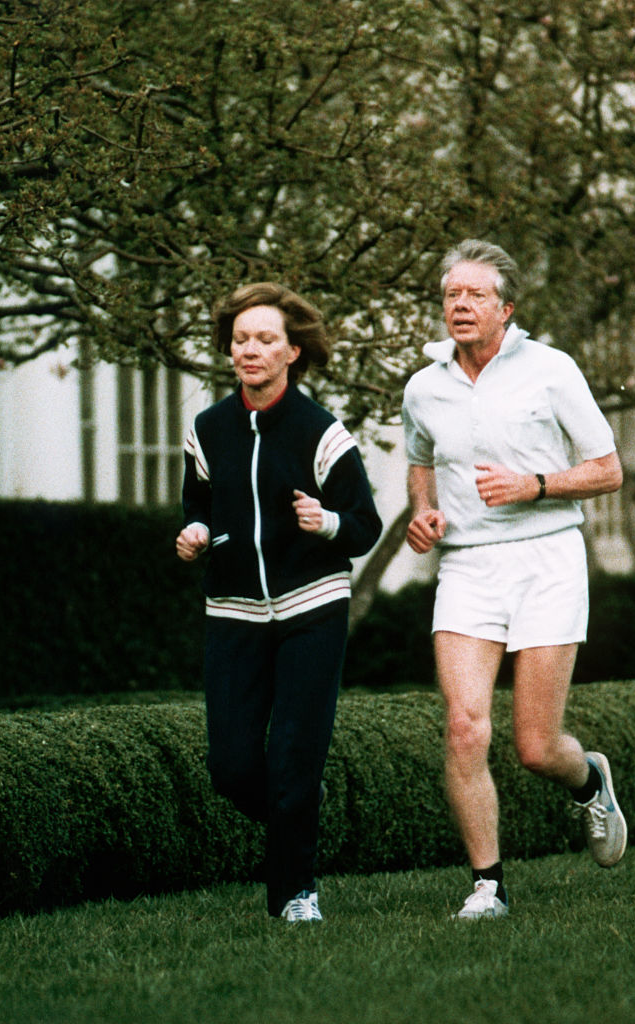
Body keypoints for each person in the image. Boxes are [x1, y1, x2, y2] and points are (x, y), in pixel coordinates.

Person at [402, 239, 627, 920]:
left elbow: (607, 469)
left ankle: (588, 778)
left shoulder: (551, 370)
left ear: (506, 308)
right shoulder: (423, 385)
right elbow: (418, 458)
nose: (460, 305)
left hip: (547, 557)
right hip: (468, 565)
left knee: (534, 747)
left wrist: (533, 485)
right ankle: (487, 885)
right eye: (451, 295)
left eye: (474, 295)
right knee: (465, 728)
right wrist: (422, 514)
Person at [176, 282, 382, 923]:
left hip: (312, 610)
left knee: (293, 754)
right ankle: (300, 807)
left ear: (293, 351)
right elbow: (199, 505)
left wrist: (326, 524)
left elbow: (366, 526)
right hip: (234, 614)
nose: (250, 350)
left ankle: (296, 894)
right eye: (240, 339)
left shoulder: (321, 432)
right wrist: (197, 533)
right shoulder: (207, 430)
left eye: (265, 339)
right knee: (231, 767)